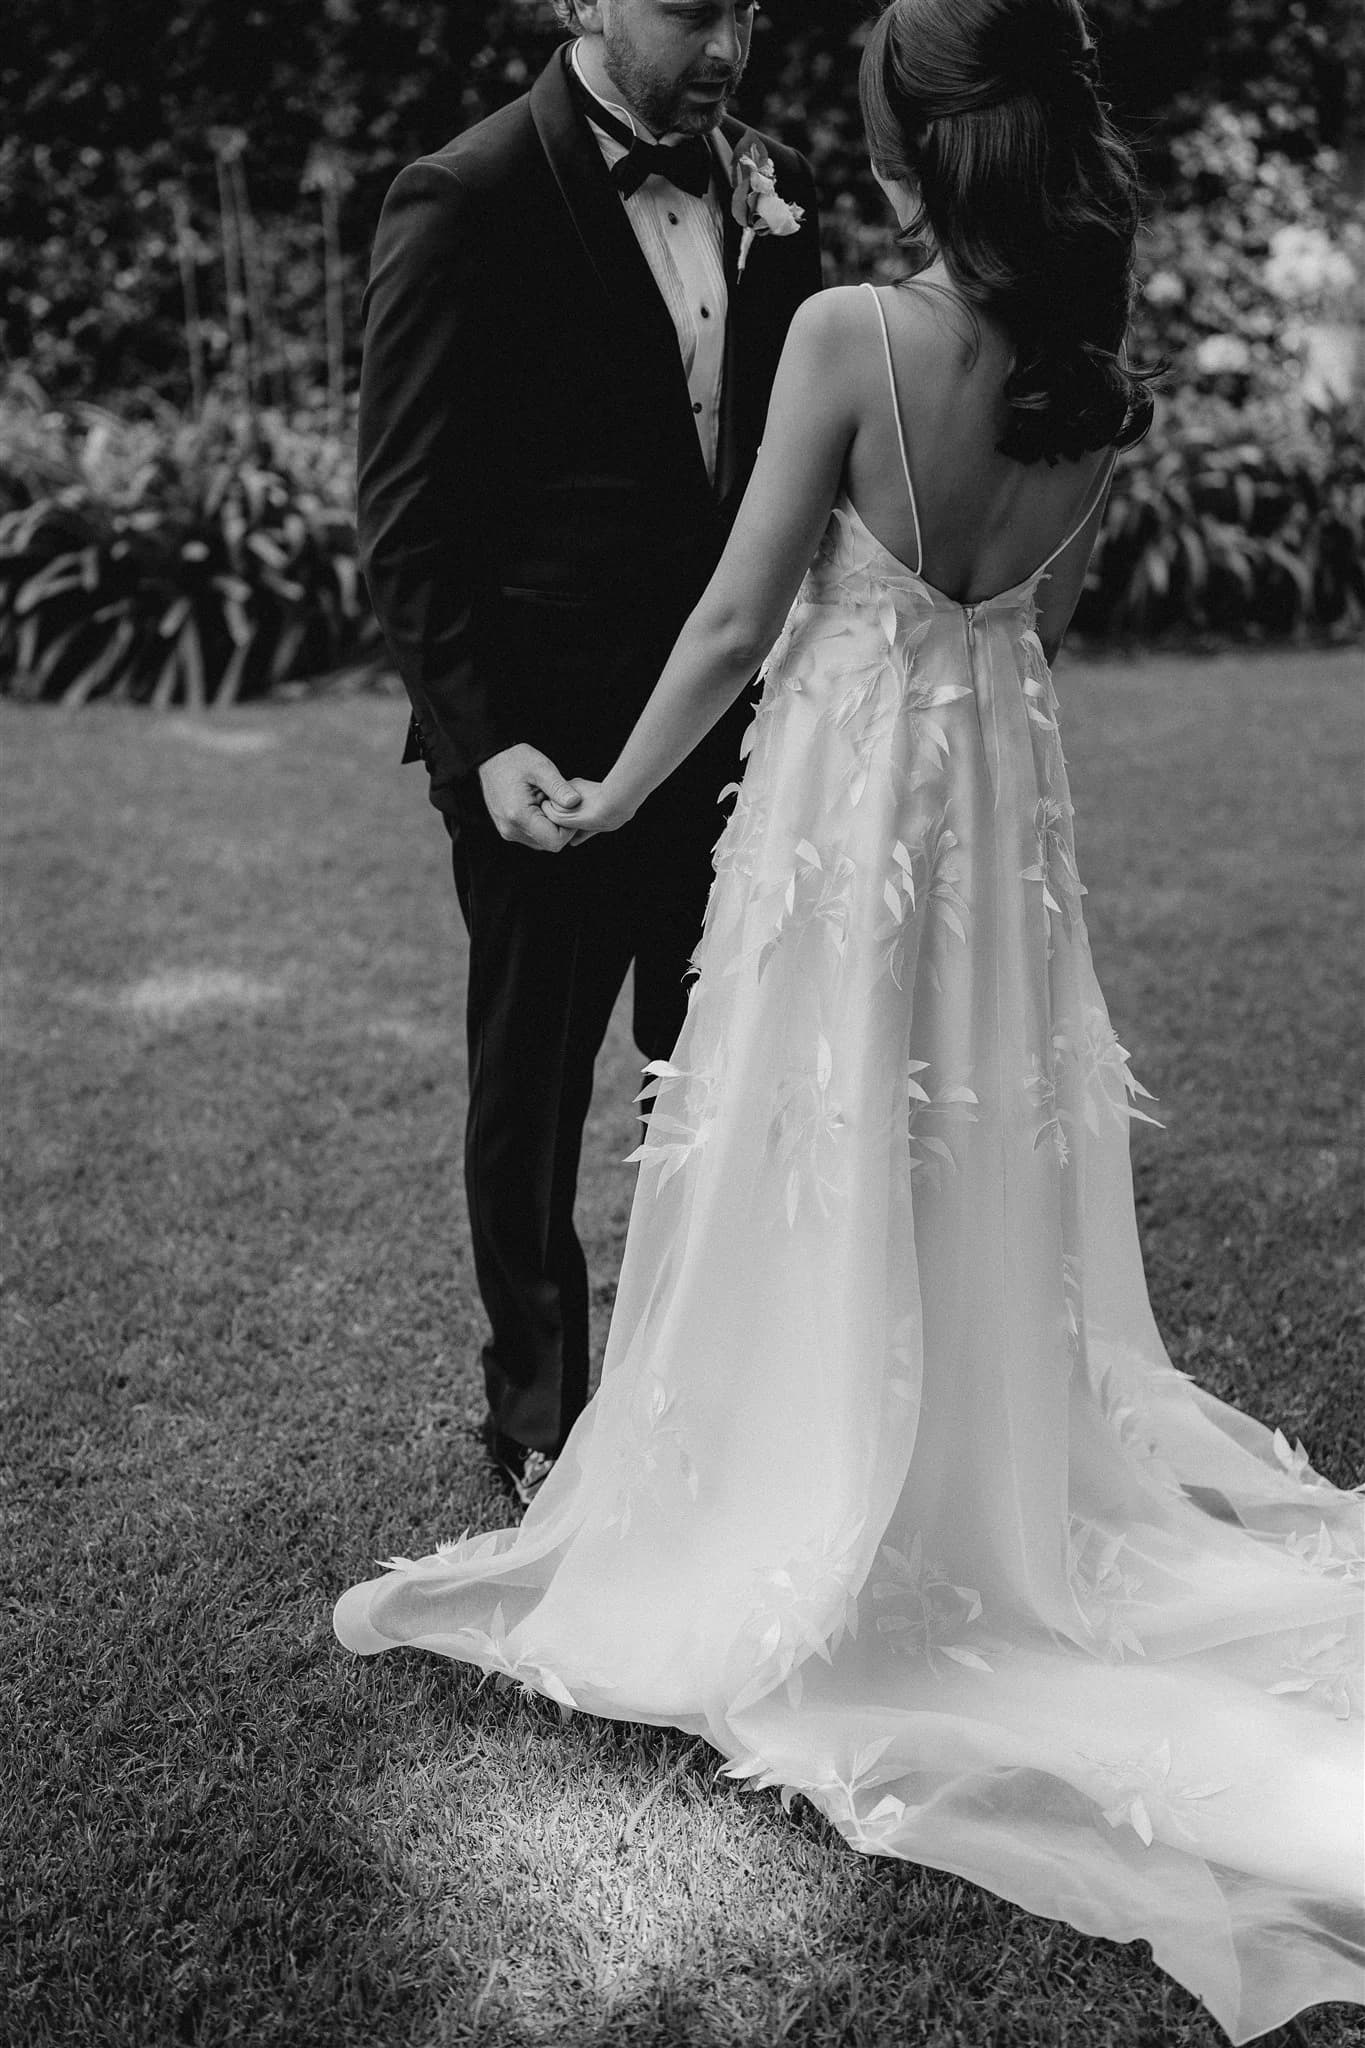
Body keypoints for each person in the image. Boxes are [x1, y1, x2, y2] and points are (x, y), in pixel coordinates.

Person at [336, 0, 1365, 2036]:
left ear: (901, 155)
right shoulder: (1098, 387)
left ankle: (784, 1476)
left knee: (802, 1131)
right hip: (990, 824)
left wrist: (614, 788)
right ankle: (963, 1469)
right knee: (957, 1134)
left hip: (821, 802)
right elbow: (1015, 627)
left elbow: (738, 617)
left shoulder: (843, 338)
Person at [355, 0, 820, 1504]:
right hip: (545, 758)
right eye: (693, 10)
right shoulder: (464, 197)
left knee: (719, 1073)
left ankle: (722, 1383)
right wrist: (481, 746)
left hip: (740, 736)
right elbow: (406, 523)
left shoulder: (772, 190)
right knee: (535, 1085)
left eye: (748, 8)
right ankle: (542, 1413)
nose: (730, 44)